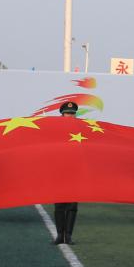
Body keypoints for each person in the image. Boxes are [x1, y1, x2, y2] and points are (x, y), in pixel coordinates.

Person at [52, 101, 81, 245]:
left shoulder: (82, 128)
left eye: (72, 114)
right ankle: (59, 235)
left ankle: (68, 236)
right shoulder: (54, 128)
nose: (70, 116)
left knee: (72, 205)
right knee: (59, 205)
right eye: (67, 113)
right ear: (62, 114)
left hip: (75, 171)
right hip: (58, 171)